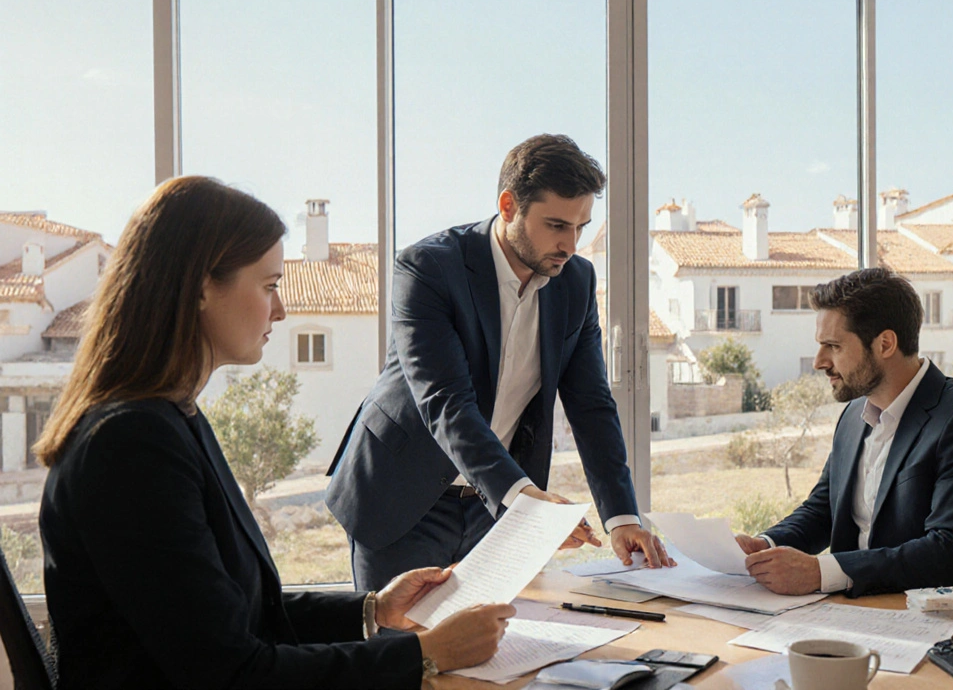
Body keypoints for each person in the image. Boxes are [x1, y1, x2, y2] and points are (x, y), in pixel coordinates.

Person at [36, 176, 514, 689]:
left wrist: (373, 610)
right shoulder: (131, 447)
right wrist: (425, 654)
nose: (281, 310)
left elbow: (223, 610)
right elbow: (232, 672)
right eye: (268, 286)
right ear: (200, 286)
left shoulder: (165, 420)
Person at [326, 134, 671, 591]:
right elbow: (447, 404)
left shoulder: (576, 282)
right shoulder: (428, 268)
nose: (570, 245)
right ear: (508, 206)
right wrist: (529, 502)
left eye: (581, 227)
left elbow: (591, 405)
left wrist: (621, 517)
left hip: (497, 511)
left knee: (492, 652)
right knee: (400, 654)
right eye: (555, 225)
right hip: (402, 499)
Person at [734, 269, 953, 597]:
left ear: (885, 344)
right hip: (865, 610)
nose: (819, 361)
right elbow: (824, 510)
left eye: (833, 346)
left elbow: (949, 553)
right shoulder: (854, 414)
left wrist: (821, 572)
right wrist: (764, 545)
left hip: (949, 620)